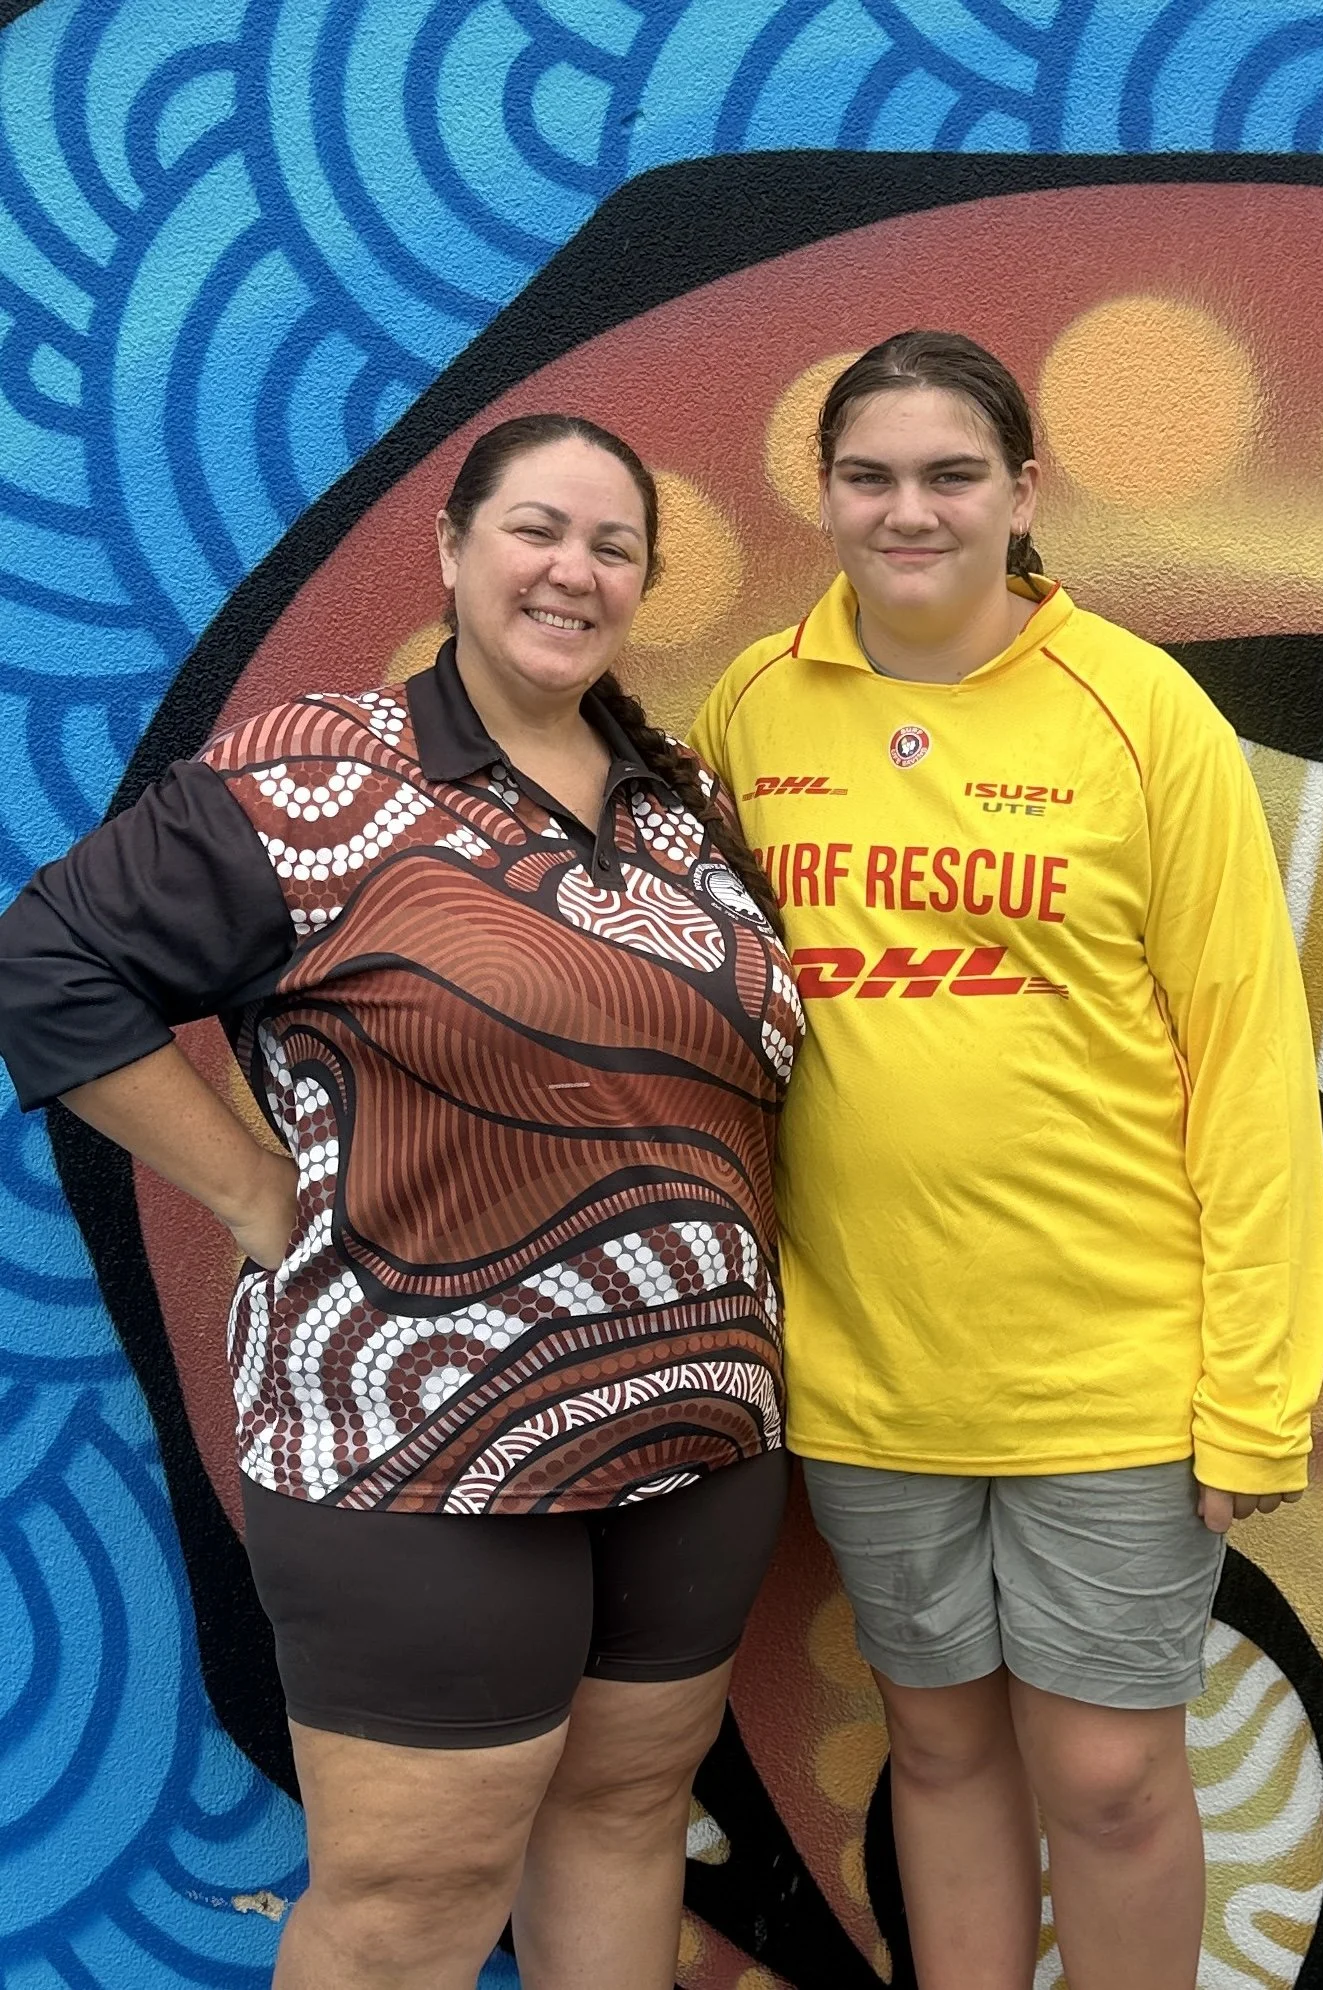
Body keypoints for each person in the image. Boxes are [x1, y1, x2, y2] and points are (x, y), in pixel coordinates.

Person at [0, 414, 802, 1990]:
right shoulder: (316, 773)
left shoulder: (677, 798)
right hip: (419, 1445)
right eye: (535, 529)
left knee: (631, 1818)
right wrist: (245, 1187)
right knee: (415, 1897)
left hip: (700, 1434)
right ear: (450, 547)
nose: (573, 570)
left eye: (613, 545)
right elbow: (46, 965)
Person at [690, 331, 1323, 1990]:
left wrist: (1253, 1385)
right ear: (822, 493)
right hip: (868, 1364)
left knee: (1110, 1776)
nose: (910, 511)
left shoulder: (1140, 716)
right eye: (871, 476)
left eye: (952, 474)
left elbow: (1249, 1066)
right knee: (940, 1746)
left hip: (1111, 1363)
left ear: (1024, 490)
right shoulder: (754, 708)